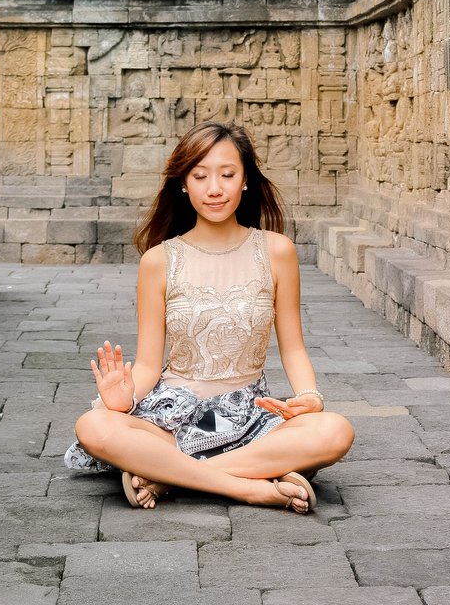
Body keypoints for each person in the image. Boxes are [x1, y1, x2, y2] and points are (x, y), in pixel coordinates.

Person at [65, 121, 354, 513]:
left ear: (245, 180)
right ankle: (249, 486)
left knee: (335, 430)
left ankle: (167, 478)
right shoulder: (159, 260)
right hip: (173, 416)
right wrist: (125, 398)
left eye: (227, 175)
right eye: (200, 176)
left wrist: (309, 397)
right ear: (184, 183)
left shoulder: (277, 251)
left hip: (252, 415)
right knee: (93, 426)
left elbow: (294, 348)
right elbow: (149, 363)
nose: (214, 189)